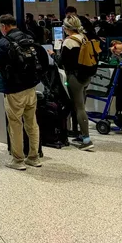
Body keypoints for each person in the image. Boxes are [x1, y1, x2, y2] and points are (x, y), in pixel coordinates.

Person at [0, 15, 42, 170]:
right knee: (32, 123)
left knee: (15, 124)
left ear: (4, 26)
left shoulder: (5, 42)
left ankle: (18, 160)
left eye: (0, 28)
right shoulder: (28, 38)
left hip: (14, 89)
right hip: (31, 86)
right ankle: (34, 157)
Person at [53, 16, 95, 151]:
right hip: (86, 76)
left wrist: (53, 54)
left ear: (66, 28)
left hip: (74, 77)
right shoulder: (84, 37)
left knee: (79, 107)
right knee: (80, 104)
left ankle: (87, 139)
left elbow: (61, 62)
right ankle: (81, 135)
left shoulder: (69, 42)